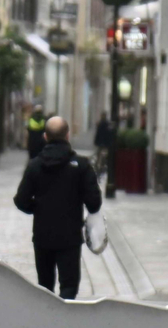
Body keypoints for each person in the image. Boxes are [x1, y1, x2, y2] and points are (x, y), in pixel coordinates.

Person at [14, 117, 103, 300]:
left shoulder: (35, 165)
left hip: (42, 235)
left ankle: (46, 324)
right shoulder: (81, 166)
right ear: (68, 135)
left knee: (44, 287)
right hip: (69, 236)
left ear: (45, 136)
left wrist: (37, 208)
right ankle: (65, 324)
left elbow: (20, 200)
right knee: (69, 285)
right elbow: (94, 202)